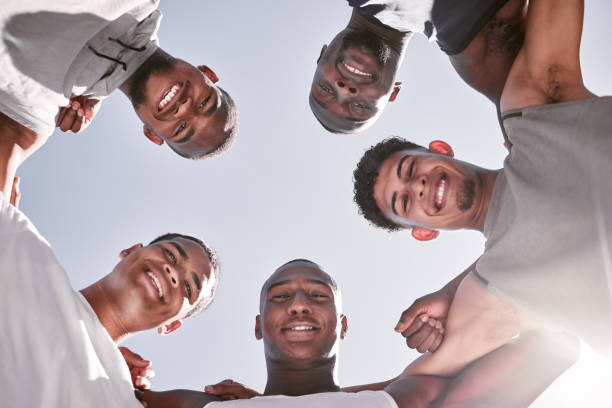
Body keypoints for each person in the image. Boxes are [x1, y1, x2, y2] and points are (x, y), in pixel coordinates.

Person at [353, 0, 611, 375]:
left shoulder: (532, 110)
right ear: (425, 233)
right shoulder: (492, 287)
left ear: (440, 150)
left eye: (411, 169)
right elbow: (414, 385)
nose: (418, 186)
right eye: (404, 201)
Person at [136, 259, 578, 408]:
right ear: (257, 326)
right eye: (279, 297)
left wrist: (449, 294)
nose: (299, 305)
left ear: (343, 326)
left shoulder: (406, 397)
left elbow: (555, 344)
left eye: (318, 295)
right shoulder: (197, 405)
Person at [0, 185, 220, 406]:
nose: (174, 274)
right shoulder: (23, 248)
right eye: (171, 254)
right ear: (131, 250)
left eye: (189, 288)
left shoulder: (125, 401)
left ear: (170, 326)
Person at [0, 1, 239, 197]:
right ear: (207, 74)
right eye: (204, 103)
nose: (185, 109)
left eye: (183, 128)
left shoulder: (38, 111)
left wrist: (10, 226)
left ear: (152, 134)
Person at [310, 0, 526, 133]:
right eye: (360, 107)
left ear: (321, 56)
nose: (345, 90)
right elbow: (529, 123)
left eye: (326, 89)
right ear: (393, 91)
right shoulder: (475, 47)